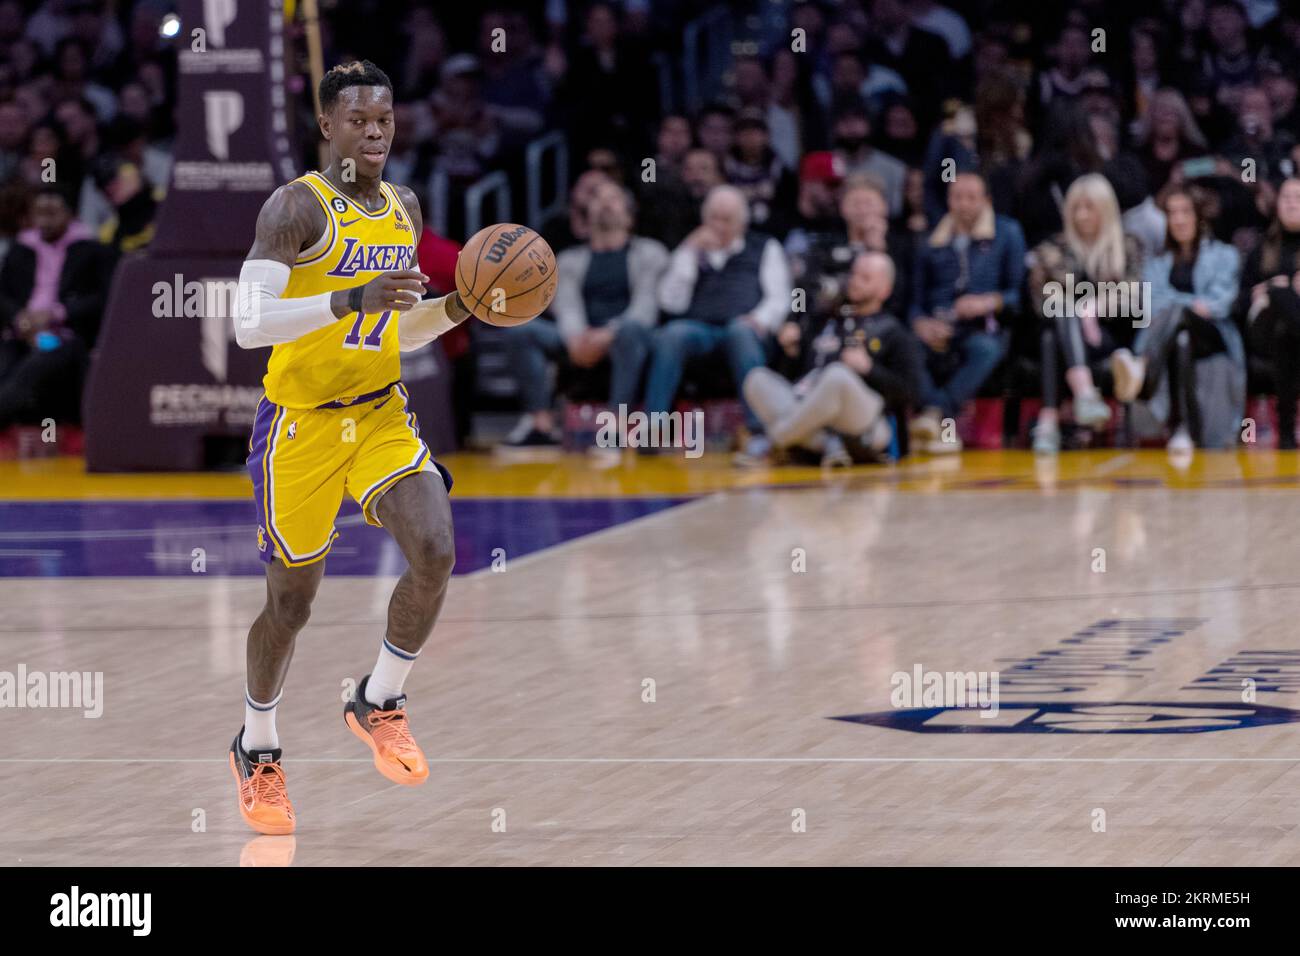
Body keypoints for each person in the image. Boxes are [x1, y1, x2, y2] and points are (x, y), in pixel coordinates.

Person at [227, 61, 476, 835]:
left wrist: (459, 306)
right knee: (290, 604)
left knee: (435, 548)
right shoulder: (295, 207)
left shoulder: (401, 207)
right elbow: (247, 321)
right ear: (327, 125)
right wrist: (343, 298)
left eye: (385, 119)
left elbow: (397, 327)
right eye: (358, 119)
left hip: (378, 414)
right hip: (298, 425)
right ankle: (258, 747)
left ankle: (379, 697)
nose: (374, 132)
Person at [500, 180, 666, 451]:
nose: (605, 203)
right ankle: (539, 424)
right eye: (598, 198)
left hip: (625, 336)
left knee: (631, 330)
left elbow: (645, 307)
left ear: (629, 215)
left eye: (613, 199)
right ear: (587, 215)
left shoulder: (651, 253)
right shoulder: (568, 260)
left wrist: (607, 333)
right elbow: (566, 305)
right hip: (579, 338)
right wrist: (575, 338)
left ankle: (616, 423)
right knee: (520, 331)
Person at [647, 184, 792, 454]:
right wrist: (689, 252)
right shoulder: (691, 248)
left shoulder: (764, 246)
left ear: (742, 222)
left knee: (740, 332)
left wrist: (758, 320)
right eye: (714, 218)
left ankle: (757, 430)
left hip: (746, 329)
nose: (720, 225)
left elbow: (780, 298)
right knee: (673, 333)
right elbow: (670, 301)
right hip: (701, 331)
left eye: (728, 219)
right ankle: (653, 427)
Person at [746, 250, 923, 466]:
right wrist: (790, 351)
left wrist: (869, 369)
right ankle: (827, 443)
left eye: (865, 278)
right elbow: (801, 291)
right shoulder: (823, 320)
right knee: (756, 379)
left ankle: (775, 440)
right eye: (854, 274)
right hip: (810, 408)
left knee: (837, 375)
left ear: (885, 290)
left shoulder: (894, 332)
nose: (855, 282)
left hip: (865, 421)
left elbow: (912, 393)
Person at [1110, 187, 1243, 451]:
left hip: (1213, 335)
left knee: (1181, 315)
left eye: (1185, 212)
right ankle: (1183, 428)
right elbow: (1150, 303)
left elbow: (1220, 303)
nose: (1179, 220)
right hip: (1172, 339)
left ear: (1199, 216)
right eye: (1172, 213)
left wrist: (1180, 304)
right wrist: (1192, 302)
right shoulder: (1156, 263)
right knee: (1181, 335)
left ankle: (1143, 366)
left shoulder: (1225, 255)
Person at [1027, 173, 1144, 453]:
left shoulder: (1127, 246)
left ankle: (1049, 420)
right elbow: (1039, 299)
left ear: (1105, 208)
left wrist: (1094, 307)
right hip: (1062, 337)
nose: (1081, 215)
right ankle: (1083, 393)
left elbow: (1135, 296)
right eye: (1076, 208)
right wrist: (1077, 311)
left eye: (1089, 207)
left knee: (1060, 323)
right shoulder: (1053, 249)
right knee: (1052, 331)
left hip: (1108, 340)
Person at [910, 171, 1026, 453]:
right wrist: (920, 324)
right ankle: (937, 420)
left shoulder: (1007, 233)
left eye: (972, 197)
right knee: (904, 346)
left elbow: (1018, 295)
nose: (964, 204)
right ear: (948, 200)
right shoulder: (930, 241)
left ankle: (934, 413)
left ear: (986, 200)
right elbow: (913, 302)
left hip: (982, 327)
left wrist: (987, 302)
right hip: (938, 326)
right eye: (957, 197)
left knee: (986, 350)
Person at [0, 184, 111, 428]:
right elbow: (3, 294)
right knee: (6, 357)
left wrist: (55, 315)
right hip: (20, 332)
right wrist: (19, 317)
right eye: (40, 213)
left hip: (63, 336)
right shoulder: (20, 249)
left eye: (53, 213)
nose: (45, 221)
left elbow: (103, 299)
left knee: (41, 358)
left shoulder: (90, 250)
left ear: (70, 215)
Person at [1238, 176, 1300, 448]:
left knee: (1286, 332)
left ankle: (1286, 432)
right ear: (1277, 204)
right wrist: (1274, 289)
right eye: (1286, 198)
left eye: (1298, 198)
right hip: (1261, 326)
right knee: (1279, 296)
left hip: (1288, 336)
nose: (1292, 204)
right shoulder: (1260, 249)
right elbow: (1241, 300)